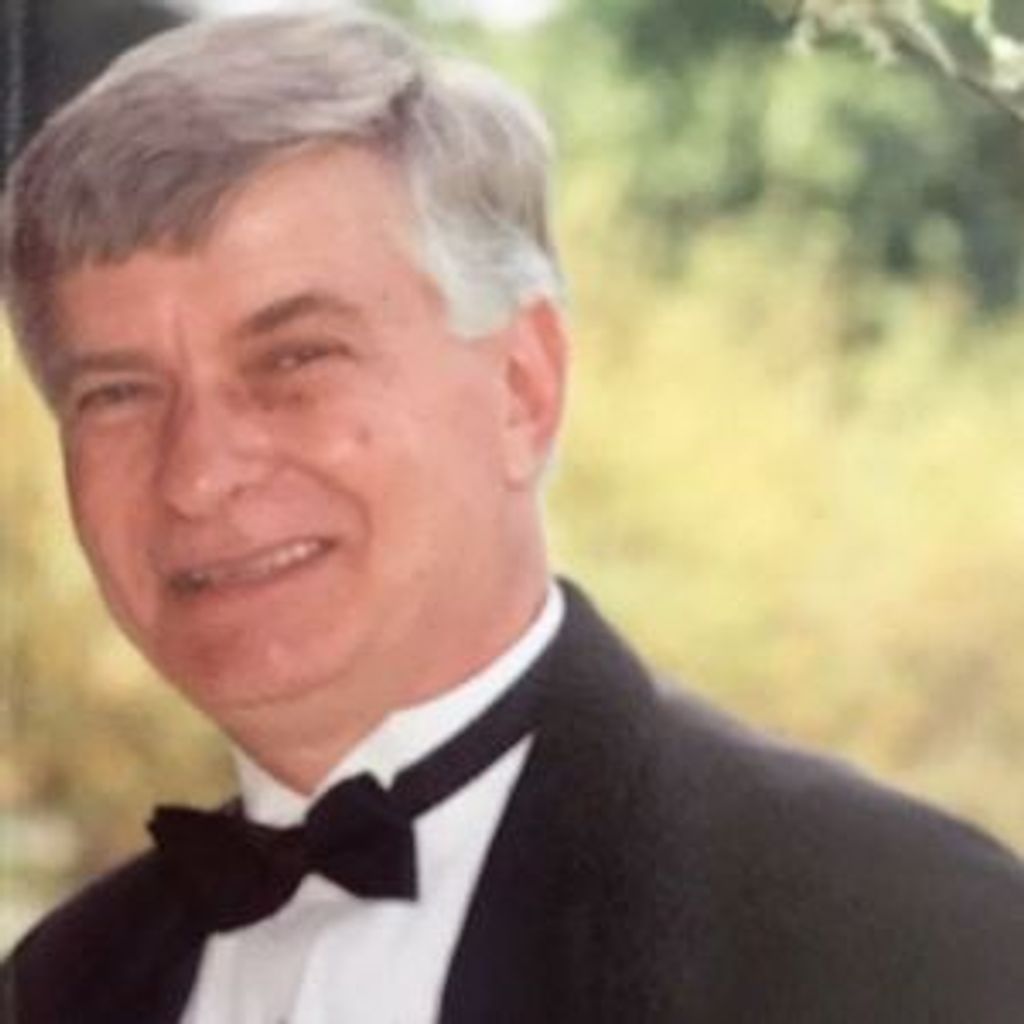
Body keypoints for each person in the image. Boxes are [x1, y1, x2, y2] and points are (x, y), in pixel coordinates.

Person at [2, 8, 1023, 1024]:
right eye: (117, 393)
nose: (198, 473)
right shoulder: (57, 985)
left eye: (296, 357)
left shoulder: (905, 936)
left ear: (522, 388)